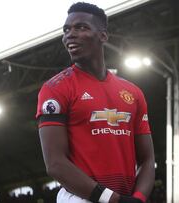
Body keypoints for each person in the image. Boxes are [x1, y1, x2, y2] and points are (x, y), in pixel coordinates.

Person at [36, 2, 155, 203]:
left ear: (103, 36)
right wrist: (112, 199)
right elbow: (55, 164)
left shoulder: (133, 93)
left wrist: (139, 198)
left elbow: (147, 159)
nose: (70, 35)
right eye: (66, 30)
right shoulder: (55, 89)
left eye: (81, 27)